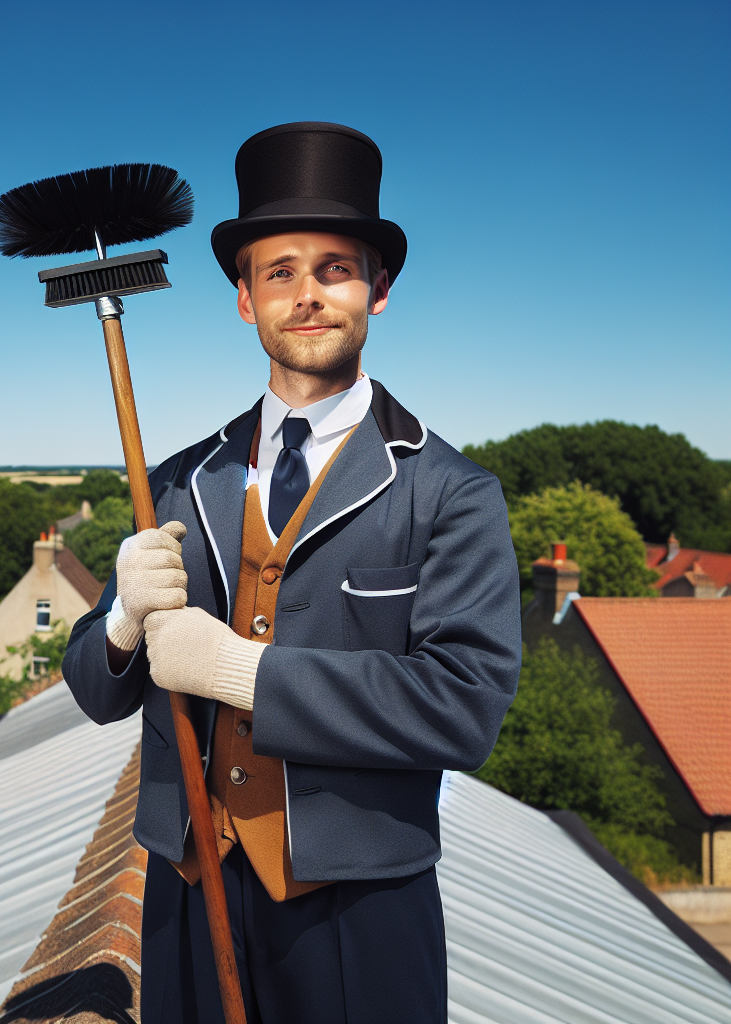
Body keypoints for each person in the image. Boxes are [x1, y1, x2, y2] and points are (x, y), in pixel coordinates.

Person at [63, 122, 521, 1024]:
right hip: (189, 887)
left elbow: (463, 708)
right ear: (245, 298)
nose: (307, 295)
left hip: (359, 905)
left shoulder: (452, 492)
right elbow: (95, 694)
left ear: (378, 290)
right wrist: (118, 628)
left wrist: (239, 671)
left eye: (335, 269)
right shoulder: (179, 482)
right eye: (279, 272)